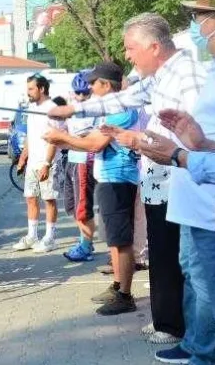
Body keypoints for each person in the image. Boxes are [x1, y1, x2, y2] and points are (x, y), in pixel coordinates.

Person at [48, 13, 206, 349]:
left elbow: (198, 136)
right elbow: (121, 99)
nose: (128, 56)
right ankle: (169, 323)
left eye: (131, 48)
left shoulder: (187, 73)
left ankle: (183, 331)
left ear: (153, 45)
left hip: (180, 179)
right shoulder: (158, 77)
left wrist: (140, 141)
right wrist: (75, 112)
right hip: (158, 177)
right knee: (164, 254)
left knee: (181, 259)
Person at [139, 0, 215, 365]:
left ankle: (205, 353)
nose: (208, 29)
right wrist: (201, 144)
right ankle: (201, 347)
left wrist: (179, 155)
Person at [45, 63, 140, 316]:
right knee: (114, 239)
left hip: (118, 180)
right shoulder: (112, 111)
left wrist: (61, 139)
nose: (89, 87)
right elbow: (91, 142)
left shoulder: (122, 111)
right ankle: (118, 286)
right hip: (111, 179)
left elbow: (95, 144)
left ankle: (125, 295)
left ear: (106, 85)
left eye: (93, 82)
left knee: (122, 241)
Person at [13, 74, 65, 253]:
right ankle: (32, 235)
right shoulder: (31, 107)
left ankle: (50, 237)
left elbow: (54, 139)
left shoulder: (52, 109)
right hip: (32, 163)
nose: (28, 92)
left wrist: (47, 164)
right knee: (30, 198)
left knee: (49, 199)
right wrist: (23, 157)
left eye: (31, 89)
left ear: (41, 89)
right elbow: (30, 134)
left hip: (48, 163)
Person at [62, 70, 98, 262]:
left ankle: (86, 246)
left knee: (83, 208)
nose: (82, 97)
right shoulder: (72, 107)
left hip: (85, 161)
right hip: (72, 159)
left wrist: (68, 139)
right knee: (71, 206)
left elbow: (88, 137)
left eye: (86, 93)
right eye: (79, 93)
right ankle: (85, 239)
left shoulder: (95, 109)